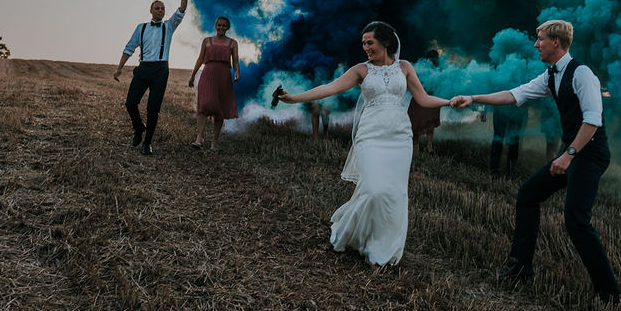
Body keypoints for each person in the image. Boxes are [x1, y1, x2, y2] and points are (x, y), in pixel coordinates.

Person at [450, 19, 621, 306]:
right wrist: (473, 97)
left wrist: (569, 155)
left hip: (589, 153)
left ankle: (611, 295)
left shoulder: (582, 74)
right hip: (574, 152)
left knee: (576, 221)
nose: (535, 44)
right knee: (528, 195)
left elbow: (593, 120)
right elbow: (514, 94)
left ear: (557, 42)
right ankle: (522, 267)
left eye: (540, 38)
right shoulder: (551, 75)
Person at [274, 21, 450, 266]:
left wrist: (449, 102)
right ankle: (351, 230)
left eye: (370, 42)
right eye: (364, 43)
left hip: (400, 137)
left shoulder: (405, 67)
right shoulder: (360, 71)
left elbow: (423, 98)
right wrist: (294, 99)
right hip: (371, 136)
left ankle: (384, 248)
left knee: (395, 194)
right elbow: (329, 88)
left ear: (386, 42)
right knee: (374, 190)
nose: (366, 47)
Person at [113, 0, 192, 155]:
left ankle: (147, 143)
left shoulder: (169, 26)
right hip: (143, 68)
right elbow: (129, 48)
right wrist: (119, 68)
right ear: (151, 11)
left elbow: (182, 8)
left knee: (153, 109)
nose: (160, 11)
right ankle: (139, 127)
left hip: (160, 70)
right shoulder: (141, 28)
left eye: (163, 8)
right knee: (130, 103)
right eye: (157, 8)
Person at [187, 15, 240, 150]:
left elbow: (235, 60)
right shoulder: (207, 41)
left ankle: (214, 142)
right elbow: (200, 59)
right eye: (219, 25)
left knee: (220, 109)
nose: (221, 27)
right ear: (215, 26)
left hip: (223, 76)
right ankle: (199, 138)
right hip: (208, 74)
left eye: (224, 25)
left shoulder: (232, 43)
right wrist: (193, 75)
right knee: (204, 105)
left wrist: (237, 72)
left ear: (227, 28)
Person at [489, 105, 526, 177]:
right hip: (501, 105)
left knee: (514, 138)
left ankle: (511, 169)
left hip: (517, 105)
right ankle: (494, 170)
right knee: (499, 137)